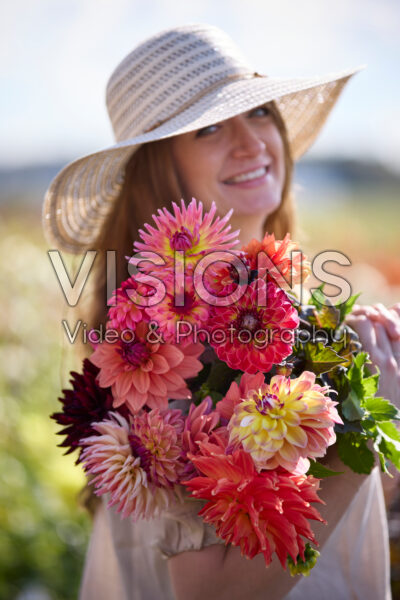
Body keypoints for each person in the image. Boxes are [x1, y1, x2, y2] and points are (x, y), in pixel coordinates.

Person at [43, 24, 399, 600]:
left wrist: (386, 416)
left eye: (259, 113)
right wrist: (362, 431)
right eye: (208, 128)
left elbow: (346, 511)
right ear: (163, 170)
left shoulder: (300, 311)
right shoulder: (159, 348)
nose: (251, 143)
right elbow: (213, 593)